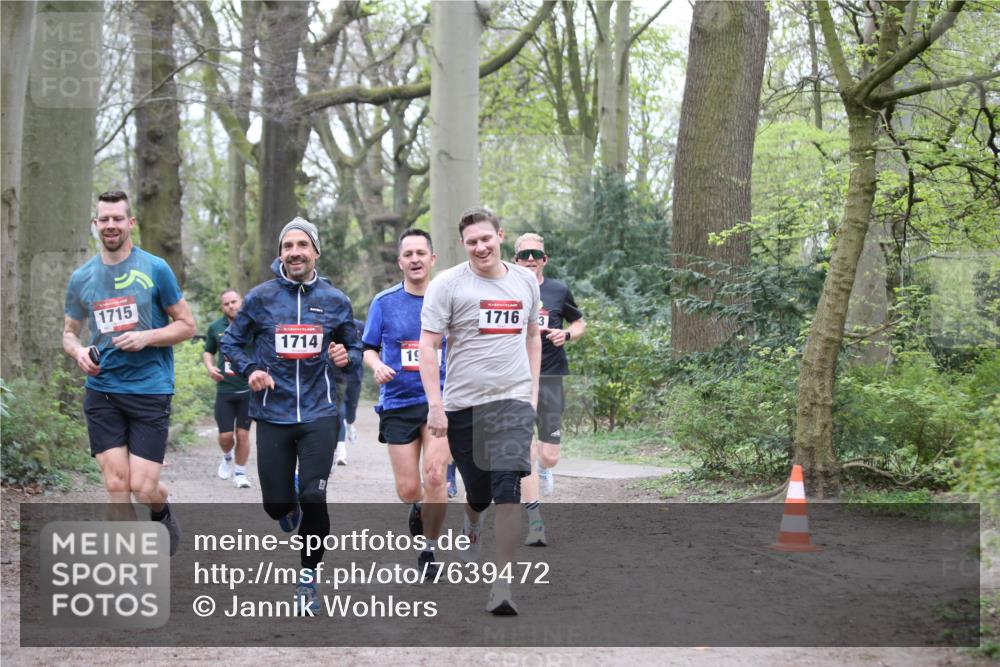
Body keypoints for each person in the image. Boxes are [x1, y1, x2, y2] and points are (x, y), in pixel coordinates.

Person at [221, 217, 361, 614]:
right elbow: (232, 341)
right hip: (273, 413)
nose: (295, 252)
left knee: (315, 497)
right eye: (288, 246)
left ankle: (308, 579)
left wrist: (344, 356)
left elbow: (353, 351)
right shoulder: (261, 298)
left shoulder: (336, 300)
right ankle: (288, 505)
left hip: (319, 413)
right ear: (280, 253)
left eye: (302, 244)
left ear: (316, 251)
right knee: (276, 506)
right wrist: (252, 371)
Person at [419, 207, 541, 615]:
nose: (480, 247)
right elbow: (428, 346)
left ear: (500, 236)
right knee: (480, 494)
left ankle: (502, 586)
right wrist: (436, 405)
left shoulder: (525, 281)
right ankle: (471, 523)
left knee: (508, 492)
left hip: (512, 402)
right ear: (463, 245)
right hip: (464, 405)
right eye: (472, 242)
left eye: (486, 239)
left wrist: (533, 394)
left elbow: (533, 337)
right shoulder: (448, 284)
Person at [63, 190, 195, 556]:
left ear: (130, 222)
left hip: (150, 390)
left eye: (117, 218)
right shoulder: (82, 278)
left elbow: (186, 325)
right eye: (103, 219)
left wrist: (147, 337)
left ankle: (161, 509)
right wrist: (78, 352)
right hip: (102, 390)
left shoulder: (155, 269)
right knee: (116, 484)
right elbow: (69, 332)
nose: (110, 225)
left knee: (143, 487)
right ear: (95, 224)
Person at [362, 229, 449, 579]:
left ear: (432, 259)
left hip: (438, 401)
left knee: (435, 474)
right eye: (408, 254)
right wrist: (377, 364)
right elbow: (367, 347)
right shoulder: (384, 302)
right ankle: (417, 506)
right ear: (400, 262)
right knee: (409, 488)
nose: (414, 259)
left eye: (420, 253)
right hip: (398, 401)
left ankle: (429, 549)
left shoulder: (448, 300)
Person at [513, 233, 586, 547]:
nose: (531, 259)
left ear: (545, 259)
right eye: (524, 254)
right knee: (525, 449)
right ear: (515, 260)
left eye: (536, 255)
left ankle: (544, 468)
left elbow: (580, 322)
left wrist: (566, 335)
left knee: (550, 456)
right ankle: (535, 521)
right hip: (516, 378)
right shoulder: (506, 290)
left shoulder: (557, 290)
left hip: (551, 376)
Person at [203, 288, 254, 488]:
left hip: (248, 390)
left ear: (241, 301)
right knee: (226, 437)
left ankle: (240, 473)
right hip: (225, 389)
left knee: (243, 434)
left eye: (234, 301)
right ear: (222, 307)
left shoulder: (253, 325)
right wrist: (210, 367)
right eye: (227, 303)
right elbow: (208, 352)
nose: (231, 306)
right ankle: (227, 456)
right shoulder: (216, 327)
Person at [333, 318, 364, 466]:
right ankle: (340, 450)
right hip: (337, 377)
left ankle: (350, 425)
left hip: (354, 377)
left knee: (350, 414)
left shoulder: (359, 326)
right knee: (340, 413)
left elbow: (364, 349)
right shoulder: (330, 322)